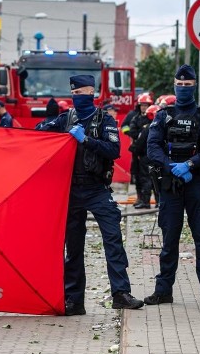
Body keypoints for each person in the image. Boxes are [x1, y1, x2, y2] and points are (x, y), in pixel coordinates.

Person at [37, 74, 144, 315]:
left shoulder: (104, 120)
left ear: (92, 93)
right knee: (73, 246)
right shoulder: (66, 119)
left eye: (81, 93)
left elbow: (114, 149)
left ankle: (120, 293)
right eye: (73, 94)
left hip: (96, 188)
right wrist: (49, 121)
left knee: (113, 238)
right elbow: (39, 135)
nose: (77, 97)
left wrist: (86, 139)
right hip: (71, 190)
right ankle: (74, 301)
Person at [144, 64, 200, 306]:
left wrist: (189, 164)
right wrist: (170, 167)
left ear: (194, 86)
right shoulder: (163, 115)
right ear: (174, 86)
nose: (184, 88)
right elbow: (152, 147)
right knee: (169, 241)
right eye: (180, 85)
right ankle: (163, 291)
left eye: (188, 85)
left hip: (196, 182)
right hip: (170, 185)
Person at [127, 93, 154, 207]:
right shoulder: (136, 118)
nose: (144, 107)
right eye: (142, 105)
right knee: (136, 175)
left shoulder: (151, 119)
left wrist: (142, 134)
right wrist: (140, 134)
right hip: (136, 151)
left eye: (146, 105)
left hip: (146, 152)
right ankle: (140, 198)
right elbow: (131, 131)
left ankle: (146, 201)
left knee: (146, 177)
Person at [130, 103, 159, 209]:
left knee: (146, 179)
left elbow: (140, 142)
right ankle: (159, 202)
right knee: (157, 179)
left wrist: (135, 152)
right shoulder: (162, 127)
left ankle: (146, 202)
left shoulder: (147, 128)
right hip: (159, 158)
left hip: (146, 157)